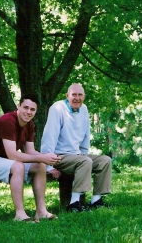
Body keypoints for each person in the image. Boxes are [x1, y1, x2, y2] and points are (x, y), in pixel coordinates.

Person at [0, 94, 61, 222]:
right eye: (25, 108)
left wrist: (45, 159)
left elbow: (30, 151)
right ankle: (20, 214)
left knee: (39, 165)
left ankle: (41, 211)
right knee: (18, 165)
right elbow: (12, 155)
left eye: (32, 109)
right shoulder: (8, 121)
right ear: (18, 106)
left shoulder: (29, 125)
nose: (28, 112)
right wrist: (42, 157)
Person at [40, 84, 112, 213]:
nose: (77, 98)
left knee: (105, 160)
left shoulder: (83, 109)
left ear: (84, 97)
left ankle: (96, 201)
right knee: (85, 162)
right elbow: (49, 136)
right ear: (67, 96)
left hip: (76, 155)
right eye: (74, 95)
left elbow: (85, 134)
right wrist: (48, 166)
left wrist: (83, 153)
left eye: (80, 95)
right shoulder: (57, 108)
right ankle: (74, 204)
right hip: (58, 156)